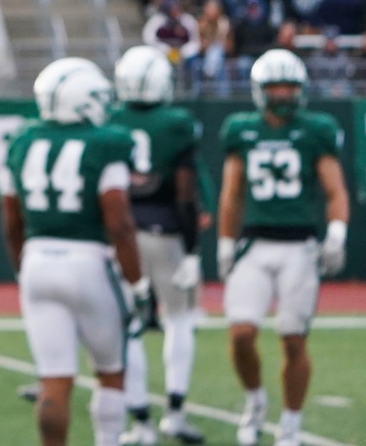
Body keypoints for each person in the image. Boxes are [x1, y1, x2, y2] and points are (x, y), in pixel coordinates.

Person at [0, 60, 143, 446]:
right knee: (111, 373)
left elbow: (11, 223)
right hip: (89, 262)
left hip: (37, 260)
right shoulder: (106, 142)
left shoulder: (22, 141)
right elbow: (119, 223)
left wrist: (23, 270)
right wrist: (138, 283)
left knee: (54, 380)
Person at [217, 49, 349, 446]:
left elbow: (335, 189)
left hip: (299, 247)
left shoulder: (316, 129)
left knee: (293, 339)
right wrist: (225, 242)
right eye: (275, 86)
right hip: (254, 245)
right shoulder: (241, 129)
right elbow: (232, 193)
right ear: (259, 90)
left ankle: (290, 424)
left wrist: (337, 232)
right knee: (241, 333)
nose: (282, 94)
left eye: (289, 86)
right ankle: (255, 400)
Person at [108, 47, 206, 446]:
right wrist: (194, 250)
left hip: (123, 235)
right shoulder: (177, 123)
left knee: (128, 328)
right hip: (166, 233)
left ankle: (141, 424)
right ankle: (175, 413)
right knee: (179, 320)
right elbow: (185, 194)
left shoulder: (110, 120)